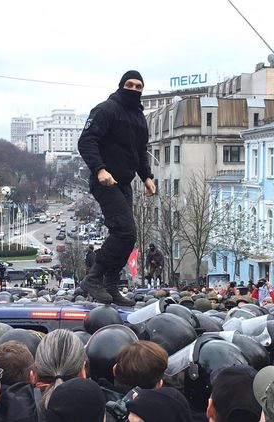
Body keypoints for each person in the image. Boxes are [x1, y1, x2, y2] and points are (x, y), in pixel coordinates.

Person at [77, 70, 156, 305]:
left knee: (126, 238)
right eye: (129, 85)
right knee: (125, 232)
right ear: (121, 85)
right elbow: (86, 141)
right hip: (105, 181)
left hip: (124, 182)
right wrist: (100, 169)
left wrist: (147, 177)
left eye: (138, 86)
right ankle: (93, 278)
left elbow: (141, 151)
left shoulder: (139, 118)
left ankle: (111, 286)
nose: (133, 89)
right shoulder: (106, 109)